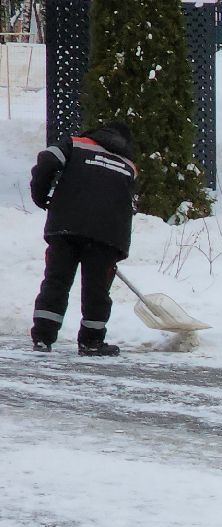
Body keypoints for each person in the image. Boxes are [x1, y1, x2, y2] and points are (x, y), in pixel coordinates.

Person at [28, 121, 137, 355]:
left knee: (56, 281)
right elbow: (130, 205)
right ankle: (91, 342)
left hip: (66, 226)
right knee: (97, 290)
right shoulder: (129, 165)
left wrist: (40, 195)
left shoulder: (75, 144)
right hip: (107, 234)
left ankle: (43, 338)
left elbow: (47, 160)